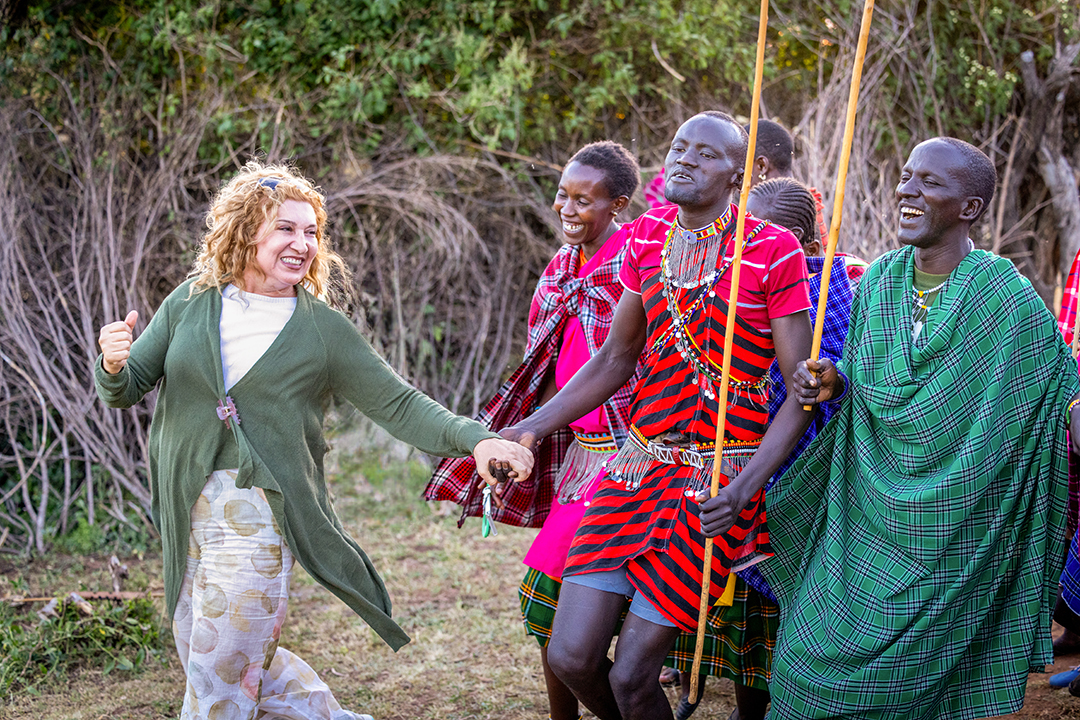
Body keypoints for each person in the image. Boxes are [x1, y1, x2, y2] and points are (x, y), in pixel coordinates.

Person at [94, 162, 533, 720]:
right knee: (219, 655)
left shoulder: (323, 331)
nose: (302, 244)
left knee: (218, 671)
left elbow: (399, 403)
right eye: (286, 229)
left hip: (261, 519)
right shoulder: (191, 302)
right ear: (245, 230)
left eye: (311, 232)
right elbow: (127, 388)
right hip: (186, 514)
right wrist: (114, 360)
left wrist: (477, 440)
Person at [500, 111, 816, 720]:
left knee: (634, 676)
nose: (686, 158)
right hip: (634, 469)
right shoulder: (648, 236)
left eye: (707, 153)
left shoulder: (772, 250)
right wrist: (533, 426)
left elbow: (801, 391)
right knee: (569, 656)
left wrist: (744, 489)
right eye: (679, 147)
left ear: (739, 174)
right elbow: (615, 359)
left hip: (714, 482)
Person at [762, 137, 1080, 719]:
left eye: (929, 183)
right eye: (906, 176)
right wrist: (833, 378)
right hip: (862, 516)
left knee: (909, 685)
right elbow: (863, 366)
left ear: (970, 208)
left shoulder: (1005, 297)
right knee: (805, 665)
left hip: (951, 528)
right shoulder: (880, 279)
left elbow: (1058, 380)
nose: (907, 191)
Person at [425, 141, 642, 720]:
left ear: (618, 204)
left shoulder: (637, 262)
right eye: (562, 196)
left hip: (631, 457)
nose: (567, 209)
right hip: (578, 453)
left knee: (568, 606)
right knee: (547, 603)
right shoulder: (560, 268)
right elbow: (546, 364)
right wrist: (526, 434)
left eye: (583, 200)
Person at [663, 178, 855, 720]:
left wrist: (826, 380)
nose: (745, 237)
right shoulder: (719, 277)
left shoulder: (833, 290)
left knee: (778, 610)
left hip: (797, 471)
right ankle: (713, 691)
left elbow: (833, 380)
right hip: (727, 453)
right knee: (730, 609)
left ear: (804, 244)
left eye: (762, 231)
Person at [745, 119, 868, 291]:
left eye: (743, 168)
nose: (738, 176)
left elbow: (815, 268)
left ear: (761, 166)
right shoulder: (802, 201)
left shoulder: (798, 208)